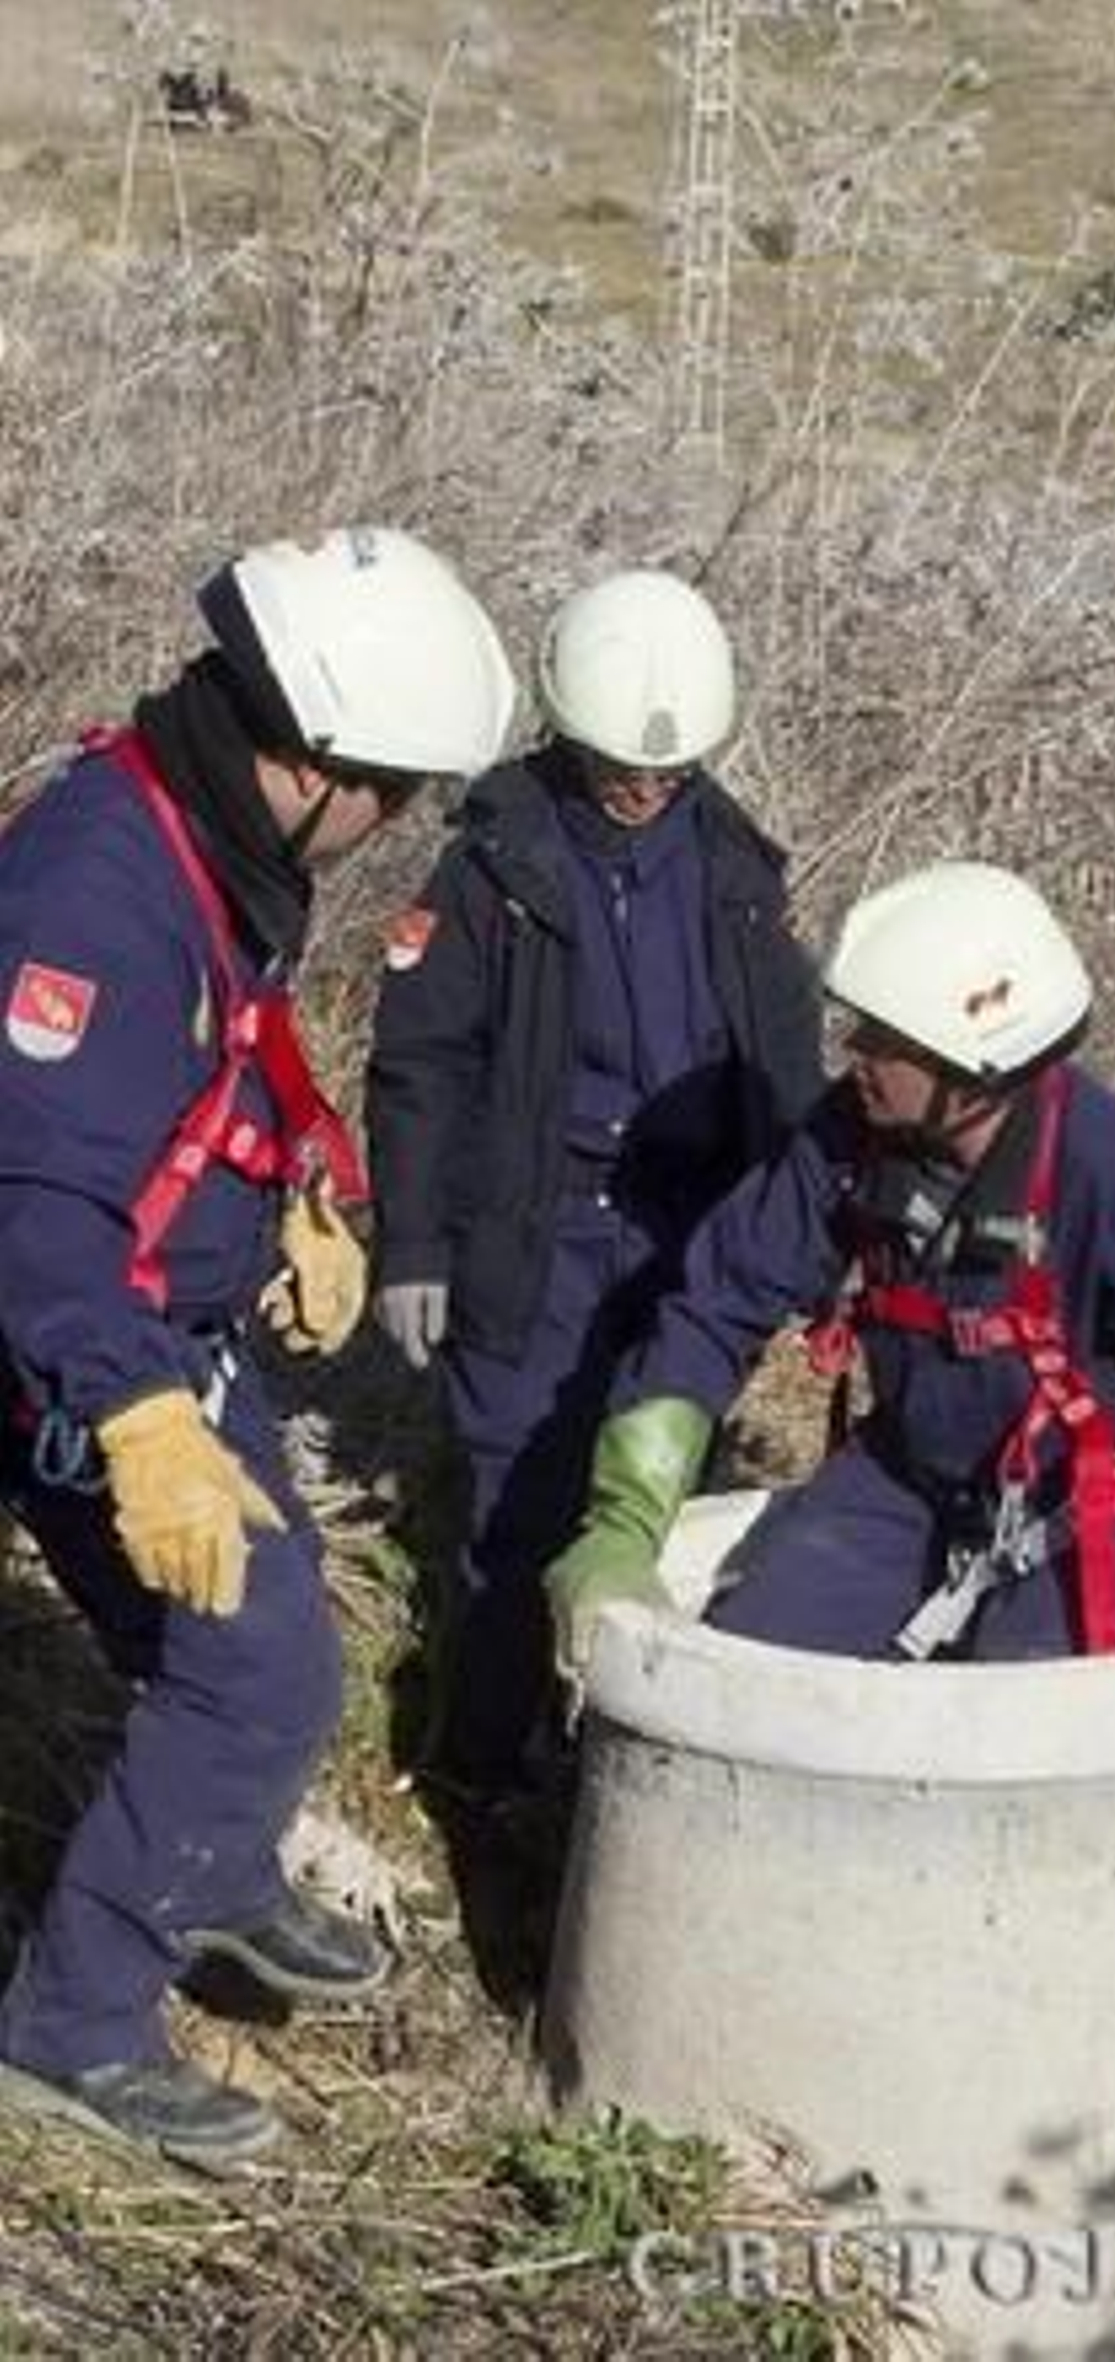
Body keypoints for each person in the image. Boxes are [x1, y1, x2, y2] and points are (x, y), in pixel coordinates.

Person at [0, 526, 515, 2168]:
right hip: (76, 1345)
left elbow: (214, 1045)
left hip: (157, 1317)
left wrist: (292, 1185)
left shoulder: (202, 834)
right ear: (313, 759)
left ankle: (205, 1860)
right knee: (248, 1661)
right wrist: (138, 1417)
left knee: (267, 1646)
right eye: (393, 792)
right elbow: (32, 1204)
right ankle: (73, 2027)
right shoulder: (93, 895)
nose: (395, 824)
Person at [544, 861, 1115, 1680]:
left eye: (885, 1040)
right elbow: (717, 1302)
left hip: (1087, 1508)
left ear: (970, 1068)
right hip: (907, 1476)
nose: (855, 1054)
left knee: (1020, 1717)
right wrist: (624, 1523)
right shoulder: (847, 1139)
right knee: (741, 1668)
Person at [366, 567, 820, 1796]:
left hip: (684, 1229)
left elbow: (789, 1070)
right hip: (535, 1223)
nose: (644, 789)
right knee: (517, 1497)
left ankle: (620, 1767)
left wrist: (810, 1233)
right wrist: (413, 1242)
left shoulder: (737, 873)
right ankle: (484, 1765)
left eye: (667, 772)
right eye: (622, 767)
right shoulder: (492, 871)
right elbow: (418, 1065)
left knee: (656, 1484)